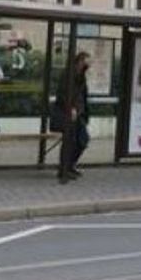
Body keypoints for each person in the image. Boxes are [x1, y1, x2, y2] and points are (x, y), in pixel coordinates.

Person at [54, 51, 91, 183]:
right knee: (69, 141)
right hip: (68, 113)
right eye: (86, 61)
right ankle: (64, 169)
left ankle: (70, 164)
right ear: (79, 61)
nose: (88, 64)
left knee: (83, 140)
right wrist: (70, 108)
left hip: (79, 114)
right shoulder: (68, 75)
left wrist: (84, 112)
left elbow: (83, 96)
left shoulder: (81, 76)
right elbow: (62, 94)